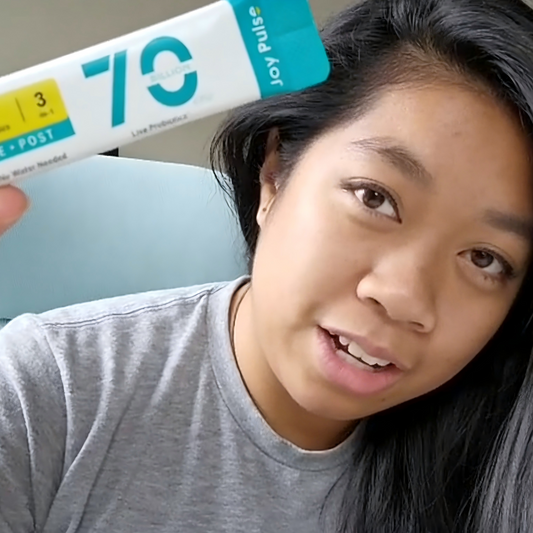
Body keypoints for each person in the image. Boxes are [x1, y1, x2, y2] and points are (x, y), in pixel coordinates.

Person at [1, 0, 533, 531]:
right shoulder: (44, 394)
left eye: (484, 259)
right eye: (374, 198)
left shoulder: (505, 470)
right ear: (274, 172)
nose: (404, 297)